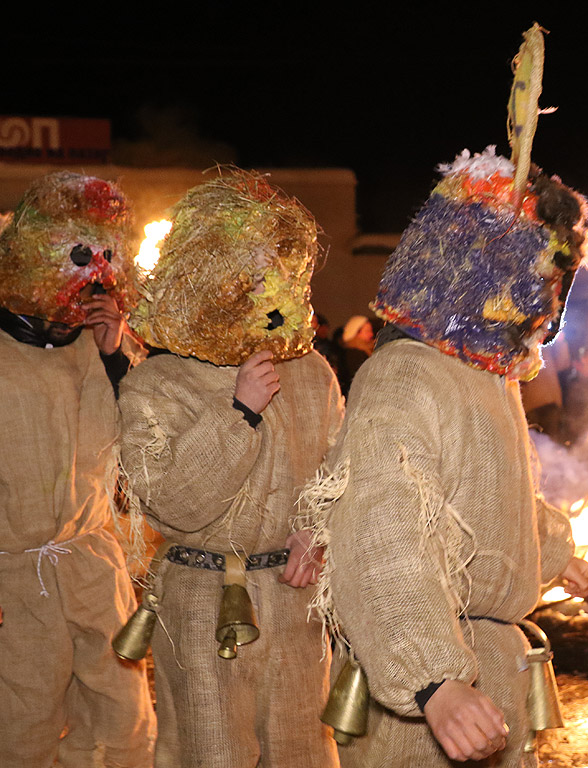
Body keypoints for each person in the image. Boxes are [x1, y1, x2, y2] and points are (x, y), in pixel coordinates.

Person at [306, 142, 588, 767]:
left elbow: (492, 505)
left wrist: (551, 549)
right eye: (542, 269)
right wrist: (433, 680)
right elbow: (381, 532)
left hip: (493, 674)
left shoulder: (490, 380)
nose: (551, 292)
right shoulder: (406, 376)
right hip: (431, 709)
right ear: (489, 261)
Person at [118, 171, 343, 768]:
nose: (274, 288)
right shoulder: (155, 385)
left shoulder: (312, 374)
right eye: (255, 269)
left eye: (281, 270)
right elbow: (174, 504)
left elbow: (342, 471)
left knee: (302, 752)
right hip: (200, 605)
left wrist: (318, 533)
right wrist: (237, 412)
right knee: (210, 753)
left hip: (295, 606)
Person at [0, 171, 154, 766]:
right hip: (15, 579)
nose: (94, 273)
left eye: (105, 255)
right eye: (79, 254)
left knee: (123, 724)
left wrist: (116, 357)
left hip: (93, 569)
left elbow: (144, 443)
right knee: (23, 729)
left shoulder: (102, 345)